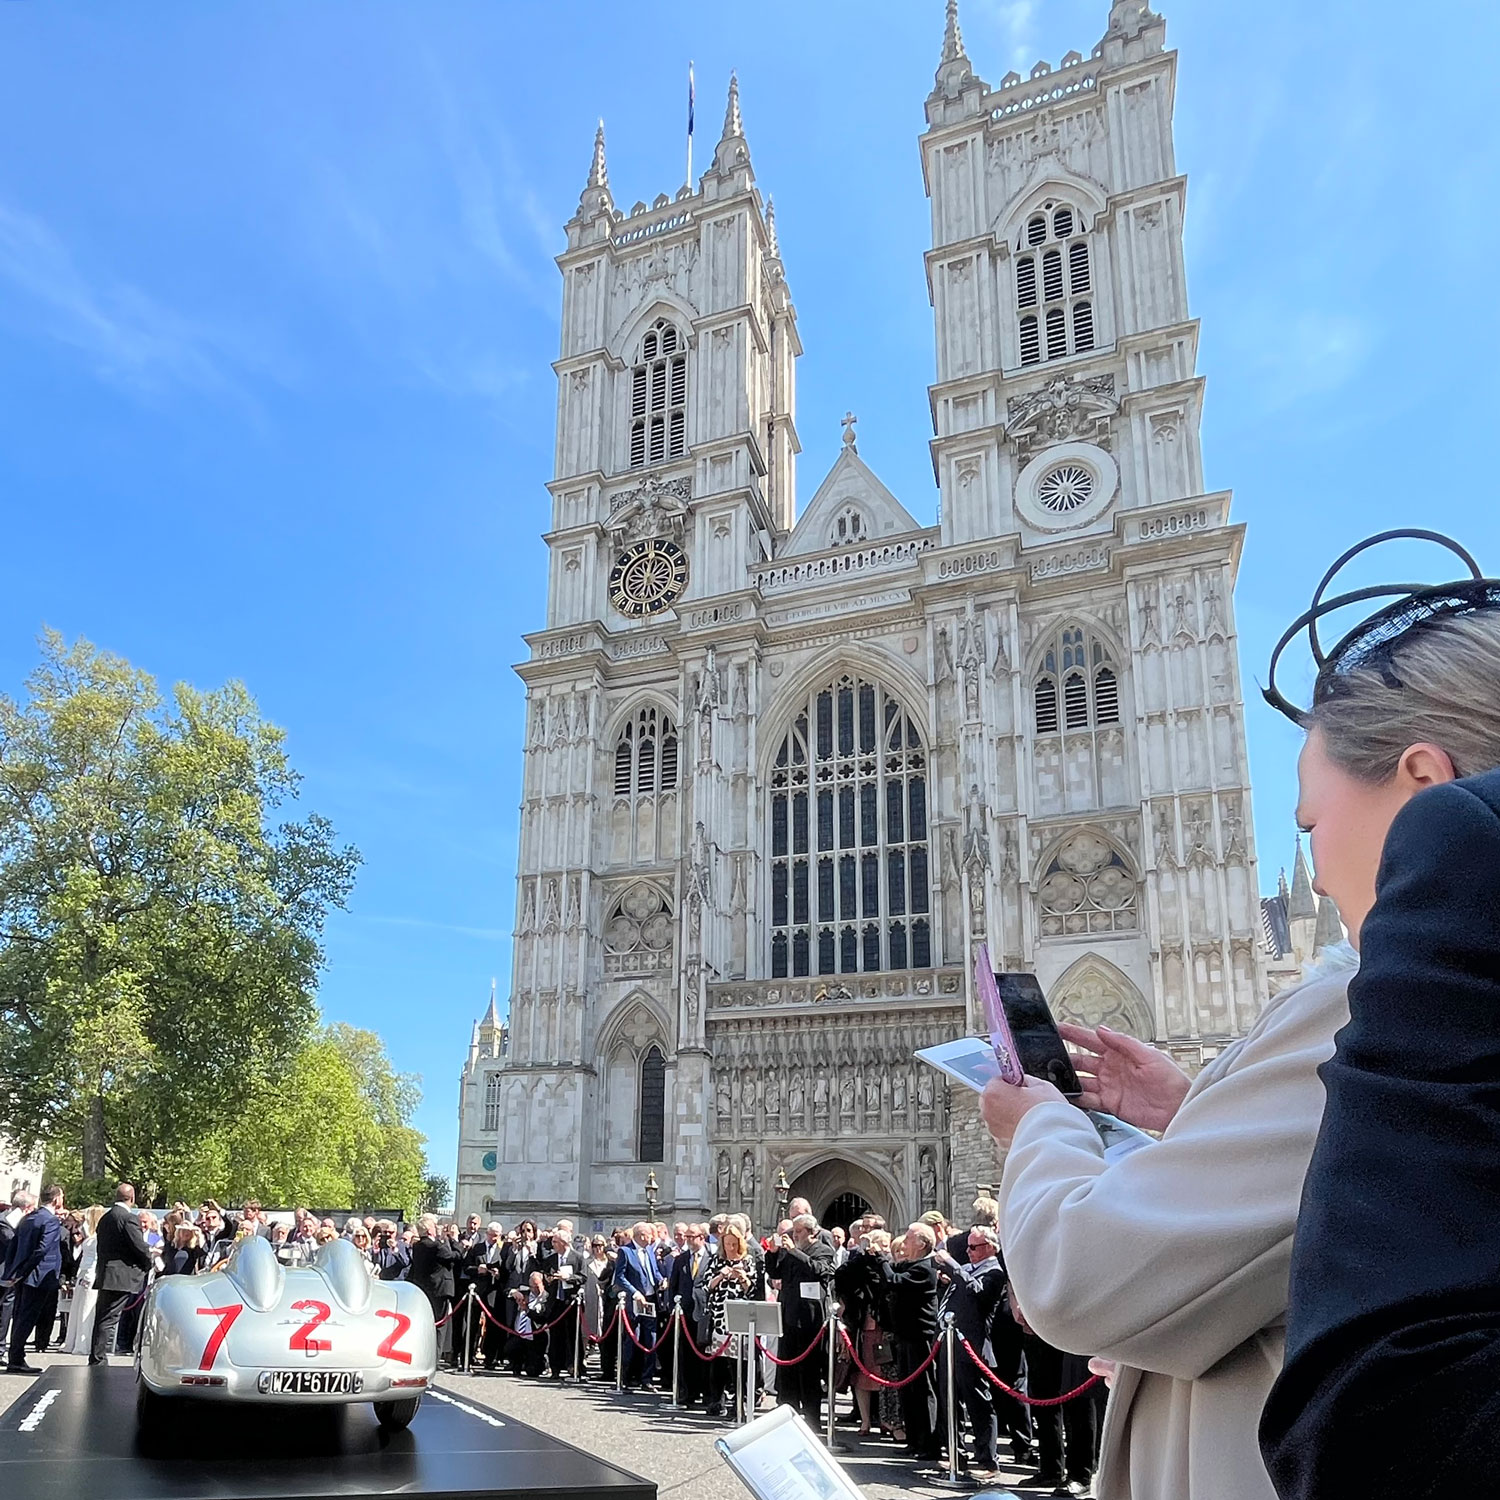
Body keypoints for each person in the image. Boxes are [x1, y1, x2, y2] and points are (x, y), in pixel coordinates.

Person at [1257, 568, 1500, 1499]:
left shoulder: (1421, 970)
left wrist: (1042, 1128)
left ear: (1426, 785)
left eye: (1312, 823)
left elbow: (1378, 1421)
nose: (1315, 878)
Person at [934, 1224, 1009, 1479]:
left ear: (989, 1247)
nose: (968, 1251)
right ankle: (955, 1454)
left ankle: (988, 1460)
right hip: (949, 1341)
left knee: (979, 1404)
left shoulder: (994, 1272)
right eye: (967, 1247)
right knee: (949, 1400)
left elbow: (977, 1293)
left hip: (972, 1346)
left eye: (974, 1247)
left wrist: (953, 1267)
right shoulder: (967, 1269)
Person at [765, 1213, 835, 1426]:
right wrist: (773, 1253)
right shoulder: (789, 1252)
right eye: (792, 1232)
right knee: (787, 1370)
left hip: (810, 1320)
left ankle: (813, 1420)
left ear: (811, 1232)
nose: (793, 1236)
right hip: (789, 1315)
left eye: (798, 1232)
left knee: (809, 1372)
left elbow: (819, 1271)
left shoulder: (823, 1250)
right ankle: (787, 1414)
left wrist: (794, 1251)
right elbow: (774, 1271)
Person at [2, 1184, 65, 1374]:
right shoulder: (50, 1220)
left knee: (21, 1316)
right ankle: (16, 1359)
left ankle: (16, 1356)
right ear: (56, 1200)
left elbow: (15, 1245)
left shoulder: (29, 1218)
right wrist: (22, 1271)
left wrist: (15, 1271)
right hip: (39, 1277)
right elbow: (42, 1249)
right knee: (27, 1318)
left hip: (25, 1276)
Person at [89, 1183, 154, 1365]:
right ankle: (98, 1359)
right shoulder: (128, 1218)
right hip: (120, 1277)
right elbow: (139, 1247)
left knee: (102, 1318)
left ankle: (96, 1356)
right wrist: (148, 1262)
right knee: (108, 1319)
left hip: (106, 1274)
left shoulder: (106, 1218)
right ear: (132, 1198)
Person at [701, 1221, 756, 1418]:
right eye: (727, 1244)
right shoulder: (716, 1260)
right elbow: (707, 1285)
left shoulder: (748, 1261)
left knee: (737, 1365)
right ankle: (716, 1401)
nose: (731, 1248)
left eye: (734, 1244)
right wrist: (720, 1276)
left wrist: (742, 1278)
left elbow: (752, 1289)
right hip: (718, 1318)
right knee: (717, 1365)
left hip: (738, 1320)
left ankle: (739, 1403)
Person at [614, 1222, 661, 1390]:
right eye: (649, 1235)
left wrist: (661, 1280)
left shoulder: (649, 1251)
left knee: (651, 1339)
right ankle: (625, 1377)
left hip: (650, 1300)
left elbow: (653, 1271)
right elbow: (619, 1277)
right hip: (634, 1302)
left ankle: (646, 1378)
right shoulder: (625, 1252)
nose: (652, 1238)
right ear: (642, 1235)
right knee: (632, 1339)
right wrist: (635, 1293)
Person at [407, 1214, 459, 1365]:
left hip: (423, 1288)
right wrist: (454, 1241)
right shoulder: (435, 1245)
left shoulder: (417, 1246)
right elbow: (453, 1256)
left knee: (426, 1324)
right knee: (439, 1326)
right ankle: (434, 1359)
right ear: (429, 1229)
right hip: (438, 1289)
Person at [668, 1224, 710, 1405]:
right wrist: (673, 1308)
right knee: (686, 1355)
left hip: (704, 1314)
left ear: (702, 1237)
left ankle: (708, 1393)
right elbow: (673, 1285)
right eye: (687, 1237)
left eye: (692, 1236)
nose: (689, 1240)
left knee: (706, 1354)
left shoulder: (712, 1258)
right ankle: (688, 1392)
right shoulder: (681, 1259)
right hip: (684, 1314)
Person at [540, 1226, 586, 1379]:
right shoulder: (551, 1259)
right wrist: (549, 1279)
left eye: (555, 1242)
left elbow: (582, 1278)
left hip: (571, 1303)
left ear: (564, 1243)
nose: (552, 1244)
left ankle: (576, 1366)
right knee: (556, 1336)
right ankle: (555, 1368)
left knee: (574, 1336)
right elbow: (545, 1276)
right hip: (556, 1302)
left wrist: (568, 1278)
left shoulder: (578, 1257)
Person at [62, 1206, 107, 1355]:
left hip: (91, 1274)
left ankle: (83, 1344)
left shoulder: (99, 1238)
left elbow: (96, 1259)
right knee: (76, 1308)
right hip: (82, 1272)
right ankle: (71, 1341)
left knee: (86, 1310)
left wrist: (89, 1275)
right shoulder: (90, 1235)